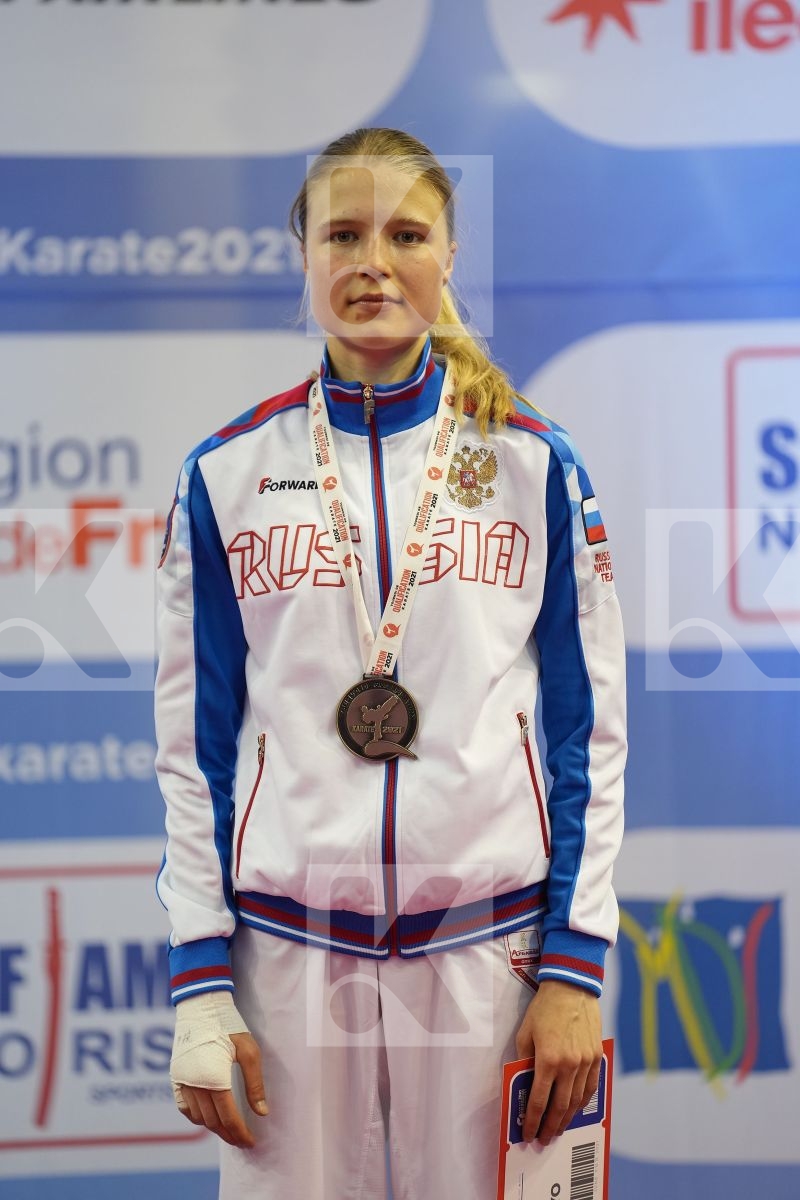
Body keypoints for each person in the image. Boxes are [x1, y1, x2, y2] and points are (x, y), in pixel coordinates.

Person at [155, 127, 626, 1199]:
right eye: (343, 233)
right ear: (305, 256)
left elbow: (586, 733)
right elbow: (193, 748)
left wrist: (571, 966)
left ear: (448, 257)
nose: (372, 260)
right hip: (283, 972)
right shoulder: (225, 474)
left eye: (405, 233)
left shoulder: (530, 463)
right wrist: (197, 979)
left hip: (489, 964)